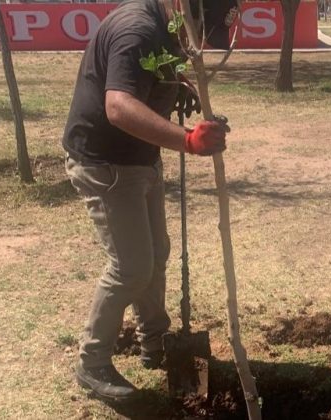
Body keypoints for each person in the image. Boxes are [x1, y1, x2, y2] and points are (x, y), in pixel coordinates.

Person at [63, 0, 239, 403]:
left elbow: (153, 69)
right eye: (201, 30)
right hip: (105, 162)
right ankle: (92, 364)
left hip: (141, 158)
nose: (200, 43)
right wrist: (188, 140)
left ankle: (154, 341)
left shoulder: (168, 25)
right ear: (185, 8)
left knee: (157, 254)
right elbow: (119, 107)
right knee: (131, 268)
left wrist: (179, 86)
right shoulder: (137, 29)